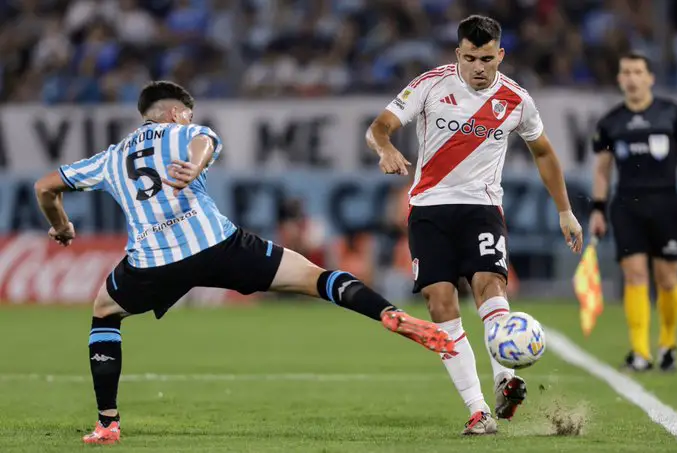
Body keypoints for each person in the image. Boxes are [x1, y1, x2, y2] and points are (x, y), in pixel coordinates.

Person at [33, 81, 456, 445]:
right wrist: (195, 166)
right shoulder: (179, 131)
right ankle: (389, 312)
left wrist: (64, 226)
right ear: (177, 112)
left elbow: (46, 186)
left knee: (105, 312)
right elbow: (208, 141)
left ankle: (107, 424)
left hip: (153, 261)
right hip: (219, 244)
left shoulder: (112, 156)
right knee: (315, 277)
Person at [365, 15, 583, 435]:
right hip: (429, 209)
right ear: (457, 54)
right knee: (440, 302)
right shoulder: (430, 84)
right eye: (470, 58)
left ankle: (505, 379)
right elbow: (379, 127)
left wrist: (565, 210)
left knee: (489, 286)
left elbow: (544, 153)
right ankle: (479, 411)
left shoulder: (516, 99)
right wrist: (385, 147)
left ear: (500, 54)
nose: (479, 68)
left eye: (487, 58)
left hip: (481, 208)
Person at [590, 53, 677, 372]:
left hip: (667, 204)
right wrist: (598, 209)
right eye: (626, 72)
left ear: (650, 77)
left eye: (638, 71)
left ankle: (668, 345)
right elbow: (602, 171)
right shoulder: (611, 122)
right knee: (635, 275)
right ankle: (640, 351)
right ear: (619, 79)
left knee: (668, 279)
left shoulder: (671, 114)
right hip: (627, 205)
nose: (631, 77)